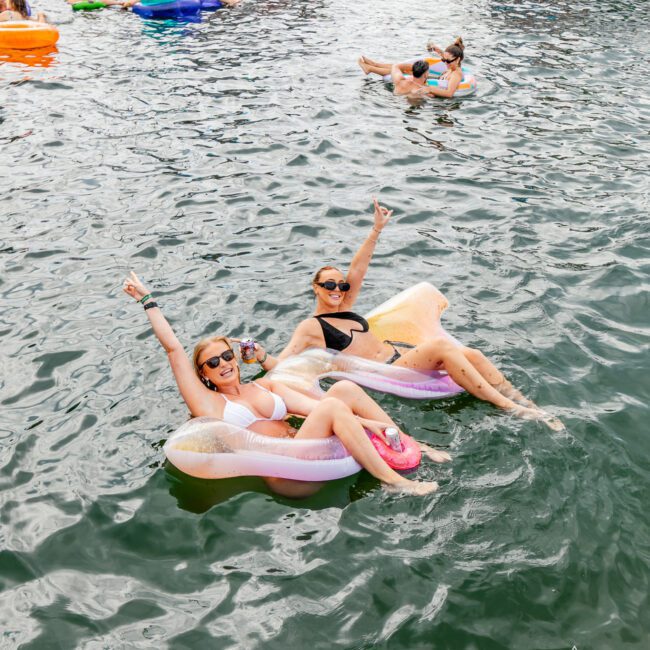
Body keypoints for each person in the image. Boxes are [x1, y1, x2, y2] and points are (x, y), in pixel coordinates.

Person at [122, 271, 450, 498]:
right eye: (212, 363)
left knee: (343, 391)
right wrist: (148, 300)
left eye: (226, 356)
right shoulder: (209, 405)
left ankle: (412, 444)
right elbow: (174, 350)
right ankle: (392, 481)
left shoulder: (266, 387)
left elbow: (318, 409)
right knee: (336, 404)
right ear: (203, 374)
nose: (222, 364)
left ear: (235, 358)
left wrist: (372, 426)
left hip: (312, 453)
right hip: (288, 476)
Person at [255, 199, 562, 429]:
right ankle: (509, 407)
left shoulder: (345, 308)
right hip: (386, 372)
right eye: (329, 284)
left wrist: (376, 230)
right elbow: (285, 362)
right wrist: (259, 357)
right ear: (316, 288)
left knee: (473, 354)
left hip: (402, 356)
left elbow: (358, 269)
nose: (337, 288)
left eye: (340, 284)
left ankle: (526, 401)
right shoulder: (311, 326)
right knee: (443, 347)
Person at [358, 37, 466, 99]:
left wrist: (429, 89)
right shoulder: (451, 65)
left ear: (457, 60)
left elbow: (449, 93)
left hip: (431, 83)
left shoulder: (456, 73)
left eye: (448, 61)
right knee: (406, 69)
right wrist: (435, 48)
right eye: (444, 60)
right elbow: (443, 55)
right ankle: (374, 64)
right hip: (432, 79)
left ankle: (372, 68)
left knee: (403, 69)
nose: (445, 63)